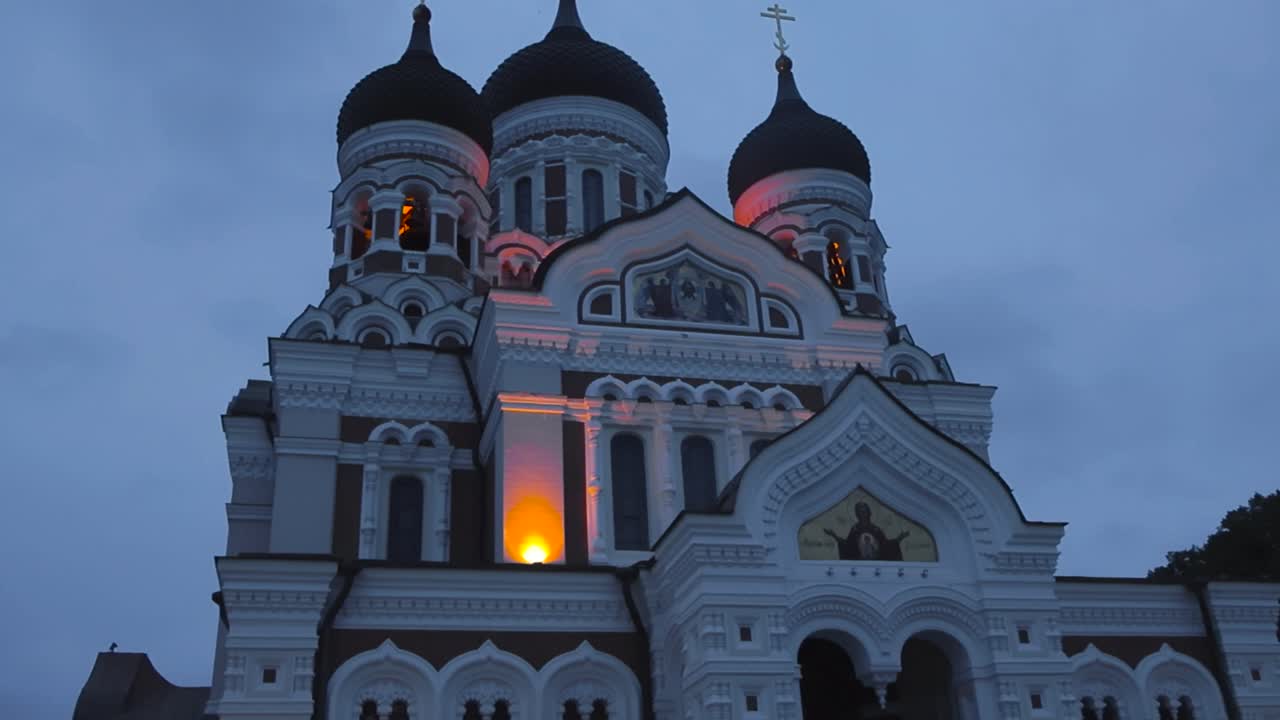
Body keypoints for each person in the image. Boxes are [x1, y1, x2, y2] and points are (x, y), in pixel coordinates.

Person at [823, 501, 910, 561]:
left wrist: (900, 538)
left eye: (865, 511)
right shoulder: (855, 529)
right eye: (860, 512)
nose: (863, 514)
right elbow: (848, 546)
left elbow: (886, 546)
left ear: (869, 513)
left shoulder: (876, 529)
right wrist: (833, 535)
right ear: (857, 515)